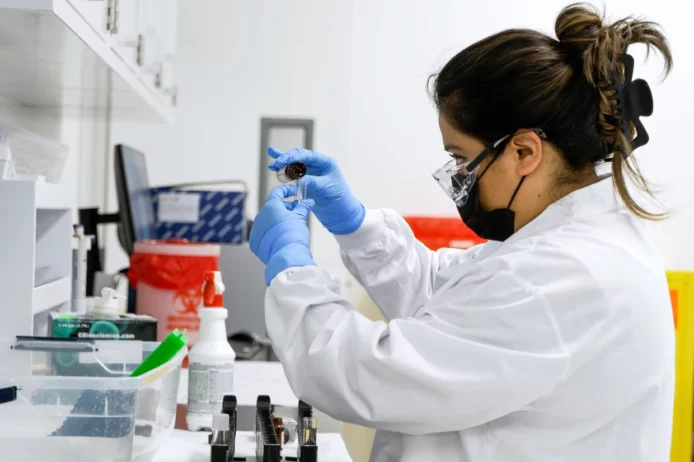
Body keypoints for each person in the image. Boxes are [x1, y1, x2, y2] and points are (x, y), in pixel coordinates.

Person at [249, 3, 675, 461]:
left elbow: (367, 374)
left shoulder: (564, 274)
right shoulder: (570, 243)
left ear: (524, 152)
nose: (458, 177)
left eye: (460, 159)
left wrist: (292, 270)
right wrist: (355, 225)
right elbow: (444, 294)